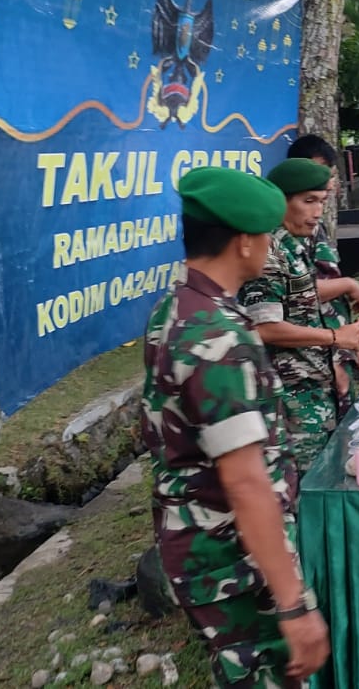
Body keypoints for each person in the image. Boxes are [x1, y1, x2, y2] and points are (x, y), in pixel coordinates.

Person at [143, 166, 328, 688]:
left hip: (204, 546)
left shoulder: (175, 309)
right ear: (245, 242)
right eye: (267, 233)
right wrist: (294, 605)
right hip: (232, 560)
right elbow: (246, 482)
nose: (271, 244)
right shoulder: (218, 338)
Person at [239, 159, 359, 472]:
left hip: (315, 391)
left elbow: (305, 310)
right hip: (291, 400)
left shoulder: (294, 246)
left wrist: (335, 355)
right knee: (302, 493)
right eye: (308, 201)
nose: (318, 211)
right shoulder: (267, 250)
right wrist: (336, 337)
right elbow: (265, 327)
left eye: (321, 201)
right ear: (279, 201)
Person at [287, 134, 359, 414]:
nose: (328, 184)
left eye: (330, 176)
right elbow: (290, 301)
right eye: (319, 174)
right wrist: (348, 285)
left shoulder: (311, 223)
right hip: (303, 378)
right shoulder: (274, 240)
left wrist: (345, 350)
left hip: (331, 359)